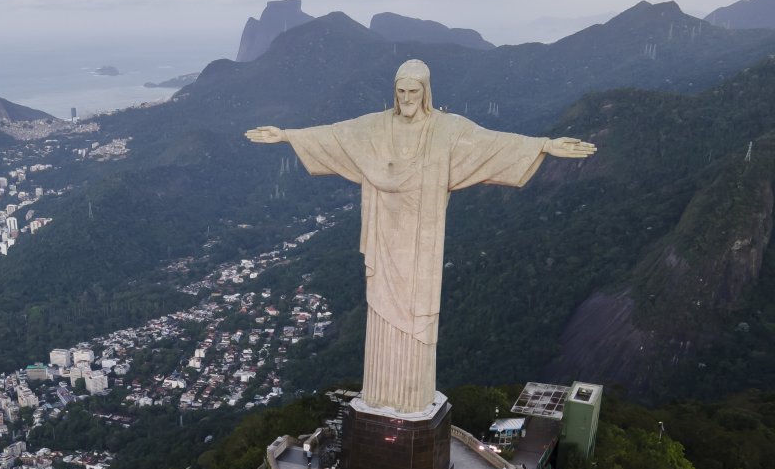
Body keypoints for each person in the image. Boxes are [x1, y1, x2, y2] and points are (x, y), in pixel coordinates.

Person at [245, 60, 595, 414]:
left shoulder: (447, 130)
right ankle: (380, 396)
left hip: (420, 242)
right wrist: (288, 135)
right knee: (381, 312)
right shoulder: (376, 127)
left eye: (414, 91)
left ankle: (411, 399)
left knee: (415, 317)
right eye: (401, 91)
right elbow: (337, 135)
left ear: (426, 92)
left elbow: (490, 143)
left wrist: (545, 145)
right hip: (385, 236)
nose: (407, 97)